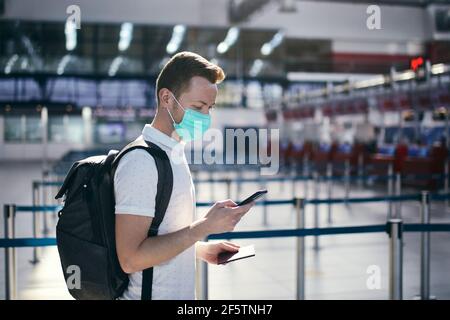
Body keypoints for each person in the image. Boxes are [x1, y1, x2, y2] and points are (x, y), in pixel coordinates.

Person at [114, 51, 254, 300]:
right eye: (198, 107)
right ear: (166, 98)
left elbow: (159, 236)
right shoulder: (141, 161)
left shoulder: (173, 153)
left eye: (209, 108)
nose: (205, 117)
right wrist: (204, 227)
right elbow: (131, 259)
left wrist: (201, 249)